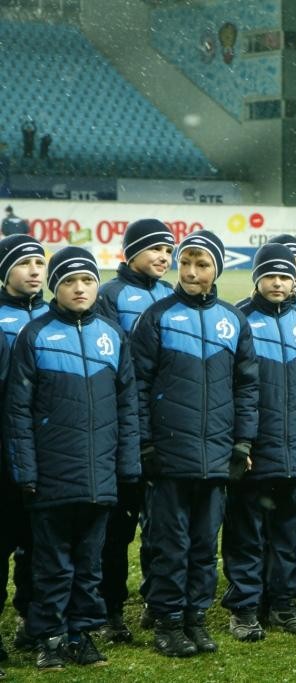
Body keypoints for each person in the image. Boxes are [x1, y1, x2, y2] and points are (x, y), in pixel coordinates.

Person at [5, 247, 140, 670]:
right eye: (68, 281)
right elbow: (18, 412)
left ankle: (82, 634)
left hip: (100, 477)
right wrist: (26, 471)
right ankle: (49, 637)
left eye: (87, 280)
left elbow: (128, 407)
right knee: (51, 565)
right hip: (52, 478)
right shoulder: (35, 336)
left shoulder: (113, 335)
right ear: (54, 288)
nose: (79, 289)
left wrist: (128, 467)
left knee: (89, 565)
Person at [131, 230, 259, 657]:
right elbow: (138, 386)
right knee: (170, 545)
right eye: (184, 262)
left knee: (204, 547)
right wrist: (146, 446)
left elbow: (247, 387)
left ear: (217, 269)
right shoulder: (156, 317)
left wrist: (241, 445)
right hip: (169, 457)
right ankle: (167, 622)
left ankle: (195, 619)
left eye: (201, 265)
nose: (189, 272)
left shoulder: (233, 320)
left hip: (217, 456)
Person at [222, 243, 296, 641]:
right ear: (256, 279)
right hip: (254, 452)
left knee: (288, 533)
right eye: (269, 275)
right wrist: (240, 444)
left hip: (295, 450)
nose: (278, 283)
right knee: (245, 534)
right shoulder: (237, 319)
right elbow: (229, 389)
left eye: (285, 276)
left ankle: (283, 603)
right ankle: (245, 608)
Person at [93, 219, 176, 644]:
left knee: (161, 524)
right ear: (130, 252)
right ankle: (109, 611)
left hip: (167, 429)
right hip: (123, 427)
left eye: (168, 250)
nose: (164, 257)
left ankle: (154, 601)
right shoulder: (109, 295)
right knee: (117, 528)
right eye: (155, 249)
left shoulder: (172, 294)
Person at [0, 234, 49, 659]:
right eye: (23, 263)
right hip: (4, 451)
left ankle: (32, 621)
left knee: (40, 542)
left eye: (39, 262)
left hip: (46, 451)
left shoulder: (57, 316)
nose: (34, 270)